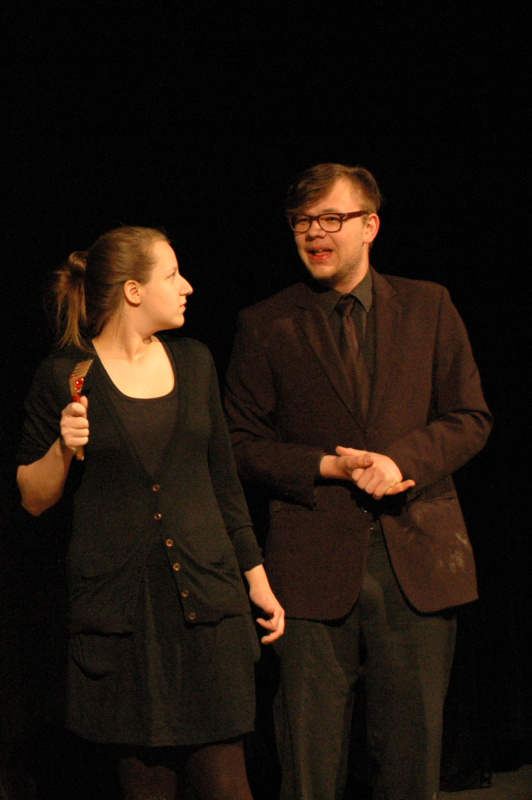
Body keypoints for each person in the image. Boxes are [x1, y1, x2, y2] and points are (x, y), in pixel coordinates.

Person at [224, 164, 492, 800]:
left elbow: (470, 417)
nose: (314, 233)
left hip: (416, 558)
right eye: (302, 221)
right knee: (309, 765)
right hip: (310, 567)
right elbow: (238, 444)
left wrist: (400, 461)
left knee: (410, 762)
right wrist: (329, 465)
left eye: (331, 219)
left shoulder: (429, 305)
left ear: (370, 225)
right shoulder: (266, 323)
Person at [16, 225, 284, 800]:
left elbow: (223, 483)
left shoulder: (196, 362)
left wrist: (257, 579)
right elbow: (32, 498)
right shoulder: (66, 375)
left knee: (227, 784)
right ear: (134, 291)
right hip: (126, 622)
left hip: (207, 606)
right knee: (147, 786)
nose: (187, 286)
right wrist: (62, 447)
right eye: (172, 275)